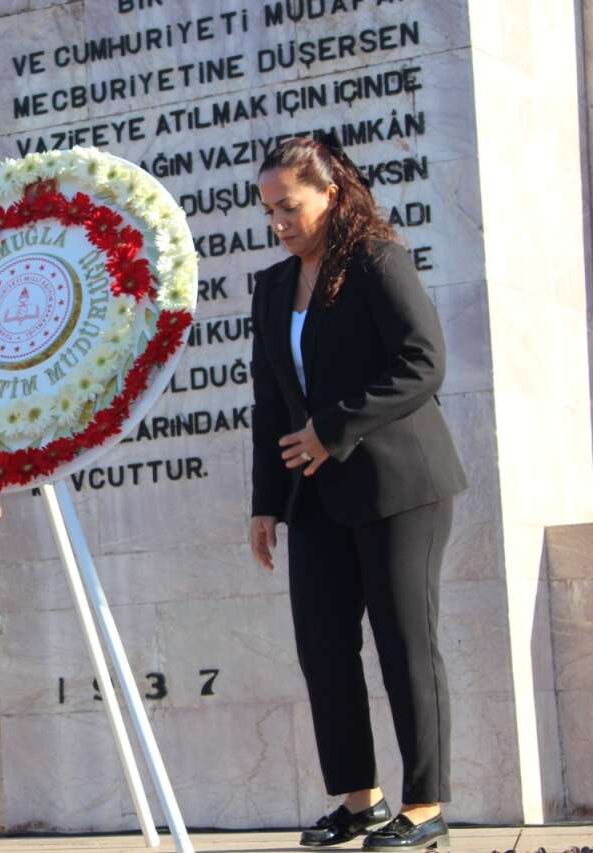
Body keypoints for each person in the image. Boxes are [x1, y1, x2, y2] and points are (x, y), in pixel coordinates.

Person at [248, 134, 467, 851]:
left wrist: (331, 429)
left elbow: (423, 363)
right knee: (323, 647)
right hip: (315, 495)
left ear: (331, 193)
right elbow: (272, 404)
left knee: (405, 645)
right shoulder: (272, 287)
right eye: (269, 211)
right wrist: (266, 503)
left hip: (401, 485)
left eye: (290, 206)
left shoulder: (377, 259)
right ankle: (359, 801)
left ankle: (425, 807)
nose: (279, 223)